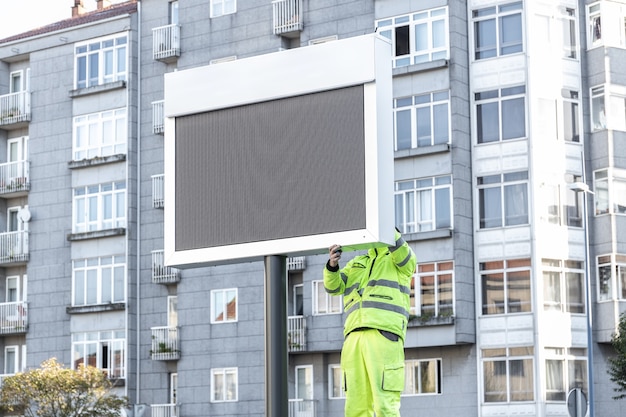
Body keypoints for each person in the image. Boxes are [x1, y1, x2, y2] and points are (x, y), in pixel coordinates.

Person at [323, 229, 417, 417]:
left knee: (385, 406)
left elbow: (405, 257)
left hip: (383, 334)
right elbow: (333, 287)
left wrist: (386, 226)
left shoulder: (399, 259)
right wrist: (332, 266)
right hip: (353, 338)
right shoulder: (356, 263)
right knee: (355, 408)